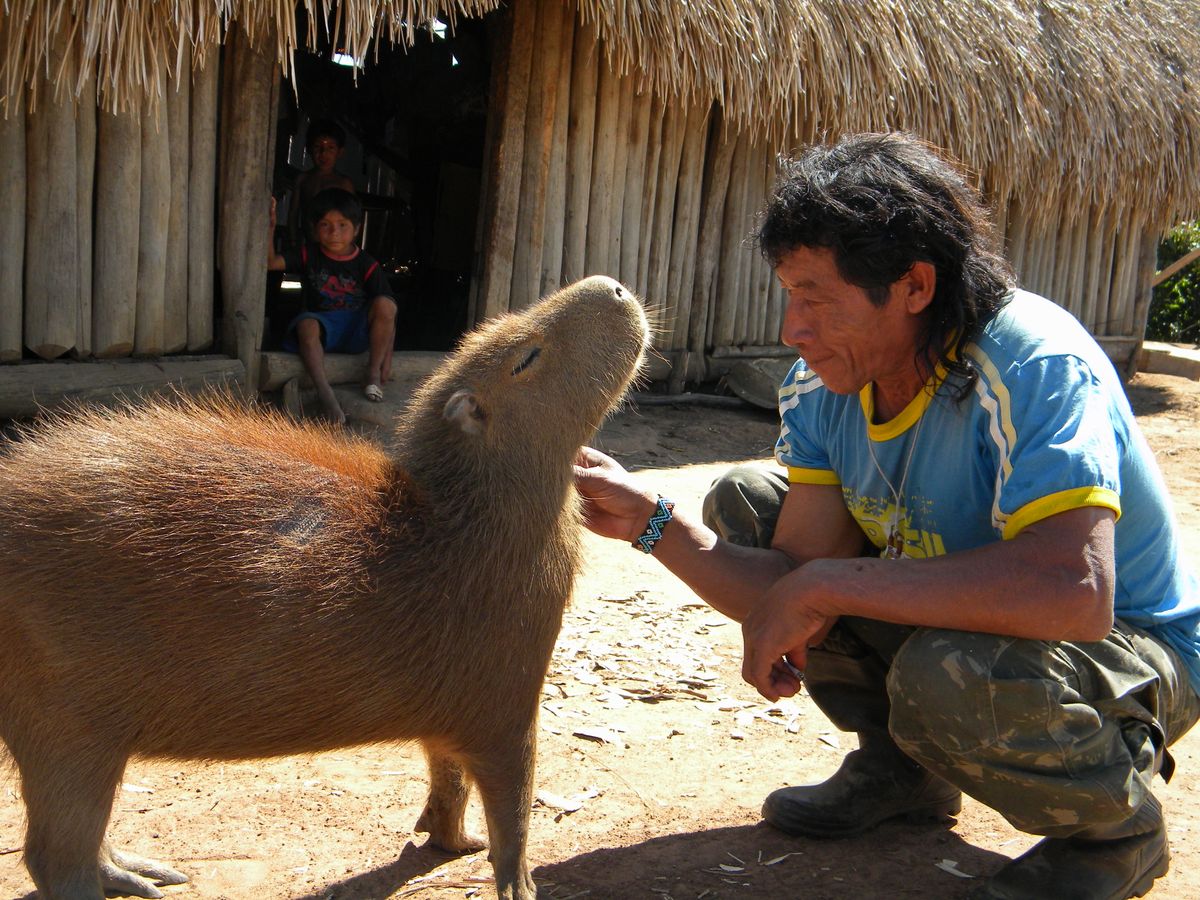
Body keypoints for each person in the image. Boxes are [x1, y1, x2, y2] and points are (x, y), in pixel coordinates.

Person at [574, 132, 1200, 899]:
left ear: (913, 286)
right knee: (749, 500)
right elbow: (792, 581)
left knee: (948, 667)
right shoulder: (824, 387)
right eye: (787, 293)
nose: (790, 329)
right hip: (983, 619)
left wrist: (828, 586)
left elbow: (1074, 591)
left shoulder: (1031, 367)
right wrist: (653, 523)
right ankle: (905, 771)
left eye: (816, 297)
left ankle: (1114, 835)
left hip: (1129, 648)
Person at [268, 188, 397, 424]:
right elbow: (271, 262)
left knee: (385, 305)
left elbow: (389, 315)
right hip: (324, 330)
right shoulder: (309, 254)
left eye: (342, 225)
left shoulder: (366, 264)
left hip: (357, 333)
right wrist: (270, 227)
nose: (333, 233)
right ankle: (325, 393)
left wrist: (383, 364)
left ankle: (370, 373)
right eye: (325, 225)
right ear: (315, 229)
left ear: (357, 229)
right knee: (306, 323)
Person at [287, 118, 357, 247]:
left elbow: (352, 218)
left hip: (335, 247)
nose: (323, 153)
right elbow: (293, 214)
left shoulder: (344, 183)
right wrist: (293, 242)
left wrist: (348, 248)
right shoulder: (303, 179)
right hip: (309, 245)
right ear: (309, 150)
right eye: (318, 147)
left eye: (330, 148)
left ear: (340, 152)